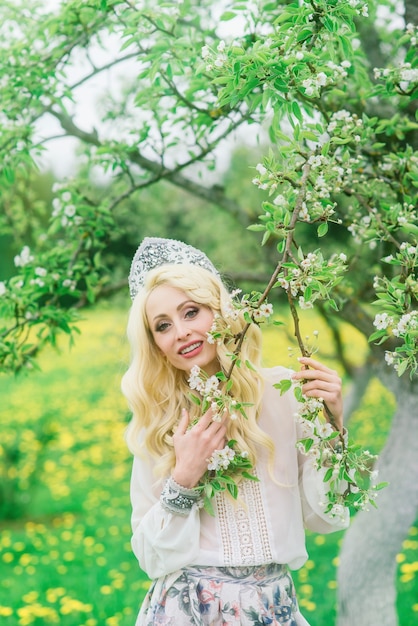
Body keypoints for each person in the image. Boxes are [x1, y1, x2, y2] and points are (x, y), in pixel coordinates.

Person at [121, 236, 349, 626]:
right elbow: (150, 557)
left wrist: (334, 425)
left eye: (191, 312)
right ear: (157, 346)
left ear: (220, 311)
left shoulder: (284, 394)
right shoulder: (159, 425)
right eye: (163, 326)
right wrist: (184, 478)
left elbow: (325, 517)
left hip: (274, 608)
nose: (180, 332)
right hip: (188, 610)